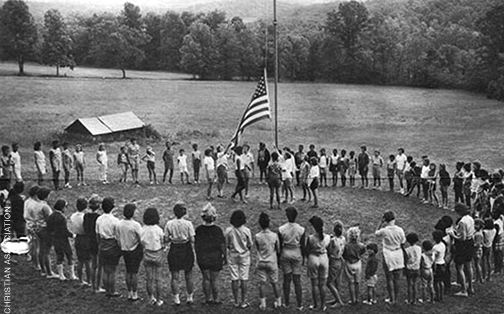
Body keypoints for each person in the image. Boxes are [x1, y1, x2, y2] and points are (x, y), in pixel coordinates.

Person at [195, 203, 226, 305]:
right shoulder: (218, 230)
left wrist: (198, 256)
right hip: (215, 257)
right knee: (214, 279)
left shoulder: (199, 230)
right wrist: (225, 256)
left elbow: (197, 245)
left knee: (206, 278)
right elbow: (222, 245)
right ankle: (216, 298)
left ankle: (208, 298)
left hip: (203, 257)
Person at [165, 203, 195, 305]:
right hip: (186, 248)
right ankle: (189, 297)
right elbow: (192, 239)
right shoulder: (188, 224)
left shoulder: (169, 224)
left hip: (174, 248)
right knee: (188, 274)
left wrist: (173, 238)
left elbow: (166, 239)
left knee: (175, 275)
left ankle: (176, 299)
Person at [375, 211, 406, 305]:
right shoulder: (400, 230)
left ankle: (391, 298)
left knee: (389, 278)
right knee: (397, 278)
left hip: (388, 254)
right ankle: (395, 298)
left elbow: (376, 233)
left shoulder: (384, 230)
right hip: (398, 254)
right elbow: (403, 242)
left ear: (385, 220)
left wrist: (380, 222)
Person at [278, 207, 305, 310]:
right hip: (296, 253)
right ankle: (299, 304)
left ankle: (287, 302)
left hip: (285, 252)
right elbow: (302, 245)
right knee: (297, 280)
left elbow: (280, 245)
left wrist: (279, 257)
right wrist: (304, 258)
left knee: (287, 279)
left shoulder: (281, 229)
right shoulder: (301, 229)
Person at [225, 210, 253, 308]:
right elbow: (250, 244)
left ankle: (236, 301)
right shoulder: (246, 230)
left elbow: (227, 244)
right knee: (244, 278)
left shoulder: (228, 230)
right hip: (244, 255)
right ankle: (243, 301)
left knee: (234, 278)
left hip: (233, 255)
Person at [95, 197, 121, 298]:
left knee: (105, 270)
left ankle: (107, 290)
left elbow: (97, 234)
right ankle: (112, 291)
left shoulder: (99, 219)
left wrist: (100, 245)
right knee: (112, 270)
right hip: (112, 245)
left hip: (102, 245)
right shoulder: (115, 221)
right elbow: (117, 236)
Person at [255, 212, 282, 310]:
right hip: (272, 261)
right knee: (275, 282)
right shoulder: (274, 236)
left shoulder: (257, 236)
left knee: (262, 283)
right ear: (269, 223)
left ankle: (263, 304)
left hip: (261, 261)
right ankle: (278, 302)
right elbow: (278, 249)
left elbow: (258, 248)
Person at [447, 203, 475, 297]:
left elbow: (462, 238)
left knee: (460, 267)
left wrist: (453, 235)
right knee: (469, 265)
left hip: (463, 244)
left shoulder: (462, 222)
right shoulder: (470, 218)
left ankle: (463, 290)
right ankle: (470, 286)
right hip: (470, 241)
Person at [117, 204, 143, 301]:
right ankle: (135, 294)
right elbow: (141, 238)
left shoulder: (120, 223)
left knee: (128, 271)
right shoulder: (135, 225)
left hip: (124, 249)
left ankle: (129, 293)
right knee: (134, 272)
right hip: (134, 249)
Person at [47, 199, 78, 281]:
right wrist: (72, 235)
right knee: (69, 255)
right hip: (63, 239)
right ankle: (72, 275)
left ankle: (61, 275)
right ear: (62, 208)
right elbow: (64, 231)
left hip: (55, 239)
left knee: (59, 256)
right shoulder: (62, 218)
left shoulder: (51, 216)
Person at [140, 207, 165, 306]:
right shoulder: (158, 229)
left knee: (149, 278)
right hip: (157, 254)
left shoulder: (143, 229)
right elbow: (162, 241)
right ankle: (159, 300)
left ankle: (151, 298)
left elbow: (141, 242)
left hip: (147, 253)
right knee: (158, 278)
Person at [305, 216, 330, 311]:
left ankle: (315, 304)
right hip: (323, 258)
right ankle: (323, 305)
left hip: (313, 258)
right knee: (322, 284)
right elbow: (329, 249)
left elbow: (307, 250)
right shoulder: (327, 237)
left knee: (314, 284)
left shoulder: (311, 238)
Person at [36, 187, 59, 278]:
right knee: (46, 252)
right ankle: (49, 272)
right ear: (46, 196)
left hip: (38, 228)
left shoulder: (37, 204)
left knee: (41, 250)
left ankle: (43, 270)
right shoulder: (45, 206)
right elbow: (50, 220)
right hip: (45, 230)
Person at [83, 194, 104, 293]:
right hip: (96, 241)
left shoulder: (86, 216)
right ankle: (98, 286)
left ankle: (92, 285)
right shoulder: (98, 218)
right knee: (99, 265)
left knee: (93, 265)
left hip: (89, 240)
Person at [69, 198, 91, 285]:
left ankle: (80, 280)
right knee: (88, 261)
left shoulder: (73, 216)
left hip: (77, 237)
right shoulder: (84, 217)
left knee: (80, 260)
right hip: (85, 238)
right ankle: (89, 280)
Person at [342, 226, 365, 305]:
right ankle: (357, 299)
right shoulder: (361, 245)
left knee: (351, 282)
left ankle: (353, 300)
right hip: (357, 263)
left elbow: (343, 254)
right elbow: (363, 251)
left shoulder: (346, 246)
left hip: (349, 263)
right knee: (357, 282)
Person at [326, 220, 345, 307]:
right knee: (337, 281)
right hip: (340, 260)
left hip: (333, 261)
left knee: (329, 282)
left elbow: (329, 251)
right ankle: (336, 298)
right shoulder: (343, 238)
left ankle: (339, 301)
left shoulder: (333, 240)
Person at [23, 185, 41, 269]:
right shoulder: (35, 204)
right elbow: (36, 216)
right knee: (36, 247)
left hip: (28, 225)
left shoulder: (27, 201)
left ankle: (34, 262)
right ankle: (36, 264)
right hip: (34, 225)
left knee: (32, 245)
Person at [404, 233, 421, 305]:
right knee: (415, 285)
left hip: (409, 268)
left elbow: (405, 259)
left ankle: (409, 299)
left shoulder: (407, 250)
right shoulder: (419, 248)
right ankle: (414, 300)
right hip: (417, 268)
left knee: (409, 285)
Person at [432, 230, 446, 301]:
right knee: (441, 281)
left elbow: (433, 259)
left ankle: (437, 296)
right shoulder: (443, 245)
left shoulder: (435, 247)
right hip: (443, 263)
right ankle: (442, 296)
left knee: (436, 282)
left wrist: (433, 269)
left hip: (437, 265)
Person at [472, 219, 484, 284]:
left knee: (477, 265)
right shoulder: (477, 232)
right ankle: (477, 278)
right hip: (477, 250)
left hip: (477, 250)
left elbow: (478, 244)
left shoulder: (478, 234)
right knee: (476, 265)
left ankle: (480, 278)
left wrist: (471, 244)